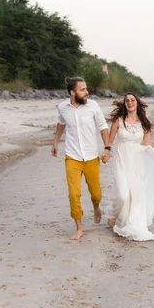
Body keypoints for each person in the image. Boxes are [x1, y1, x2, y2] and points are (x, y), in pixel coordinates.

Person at [106, 92, 154, 241]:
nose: (130, 102)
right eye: (127, 100)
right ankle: (112, 212)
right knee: (123, 196)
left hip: (137, 163)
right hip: (122, 161)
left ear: (137, 102)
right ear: (124, 103)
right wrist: (106, 152)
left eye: (132, 100)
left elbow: (148, 146)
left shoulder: (144, 123)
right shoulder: (118, 120)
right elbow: (109, 141)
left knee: (135, 196)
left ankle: (126, 221)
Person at [51, 77, 111, 240]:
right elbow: (61, 123)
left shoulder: (93, 106)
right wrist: (55, 141)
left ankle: (96, 206)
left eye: (86, 88)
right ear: (72, 92)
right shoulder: (63, 107)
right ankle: (79, 227)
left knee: (96, 193)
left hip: (91, 156)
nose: (87, 92)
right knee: (74, 194)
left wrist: (107, 148)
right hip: (72, 157)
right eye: (83, 89)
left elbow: (103, 127)